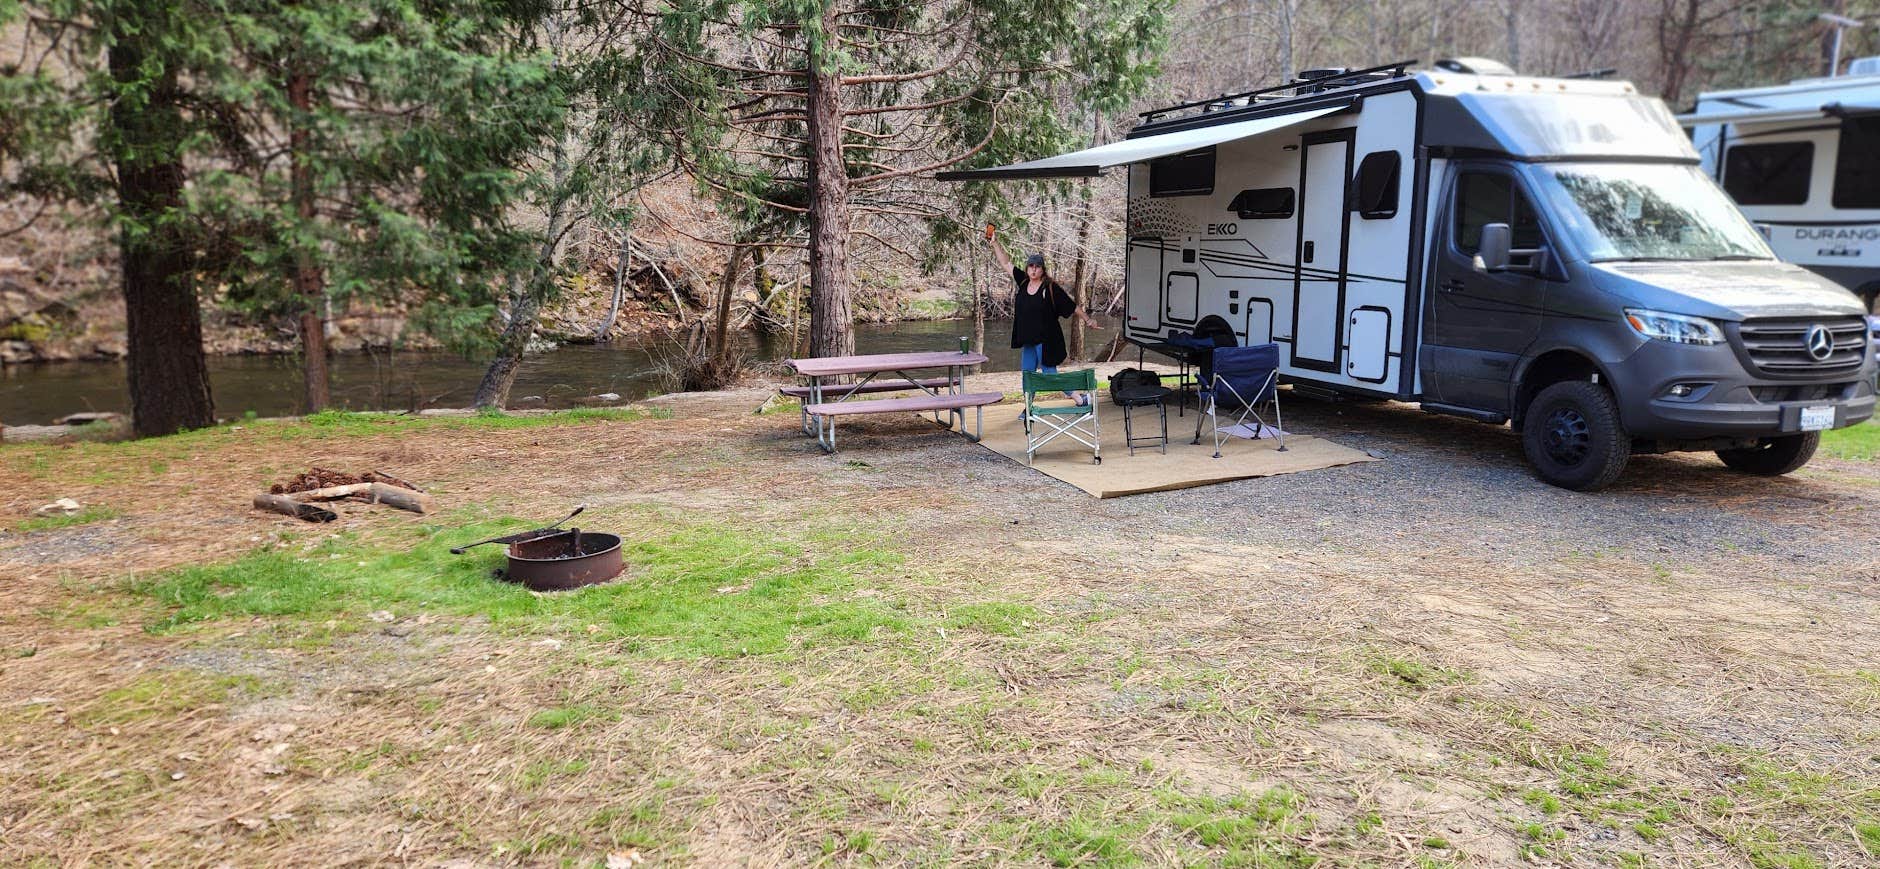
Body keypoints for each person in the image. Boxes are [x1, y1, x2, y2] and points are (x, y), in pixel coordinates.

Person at [987, 231, 1099, 406]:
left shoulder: (1050, 288)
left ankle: (1079, 398)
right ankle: (1029, 407)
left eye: (1036, 266)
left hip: (1045, 340)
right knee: (1027, 374)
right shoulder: (1023, 281)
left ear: (1042, 269)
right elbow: (1005, 263)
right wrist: (995, 243)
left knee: (1049, 372)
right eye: (1030, 266)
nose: (1033, 269)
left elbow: (1072, 306)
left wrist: (1088, 320)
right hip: (1028, 339)